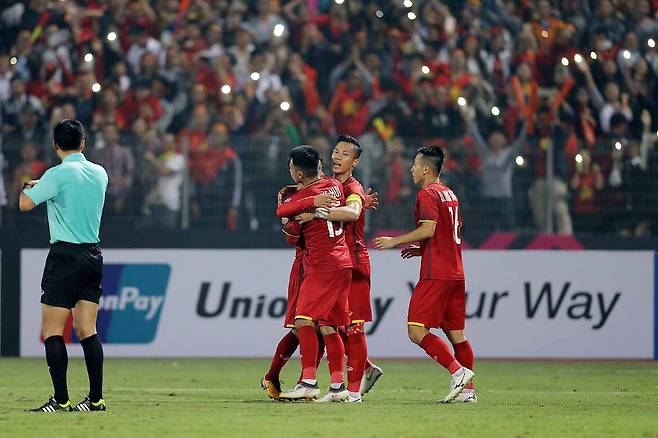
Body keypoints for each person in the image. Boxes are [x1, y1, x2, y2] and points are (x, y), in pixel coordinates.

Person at [19, 119, 109, 412]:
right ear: (83, 143)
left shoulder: (55, 175)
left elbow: (25, 204)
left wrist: (28, 186)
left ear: (55, 145)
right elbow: (76, 192)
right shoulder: (100, 173)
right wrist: (46, 187)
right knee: (87, 330)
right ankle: (96, 400)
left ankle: (61, 400)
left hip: (65, 256)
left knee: (53, 331)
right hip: (92, 255)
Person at [374, 146, 476, 403]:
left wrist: (395, 241)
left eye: (415, 164)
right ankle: (468, 392)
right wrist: (422, 251)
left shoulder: (427, 194)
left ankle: (458, 373)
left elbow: (429, 229)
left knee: (416, 330)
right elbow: (449, 232)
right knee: (456, 334)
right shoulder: (449, 193)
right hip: (455, 272)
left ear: (427, 169)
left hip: (436, 274)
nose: (412, 169)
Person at [294, 135, 383, 402]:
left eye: (345, 154)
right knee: (330, 325)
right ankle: (352, 377)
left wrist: (316, 212)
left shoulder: (353, 188)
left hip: (354, 262)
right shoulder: (331, 186)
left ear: (355, 162)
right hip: (334, 263)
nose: (337, 157)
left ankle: (353, 392)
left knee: (353, 327)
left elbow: (352, 213)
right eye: (335, 151)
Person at [275, 145, 352, 402]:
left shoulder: (306, 195)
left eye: (291, 168)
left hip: (322, 265)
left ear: (298, 173)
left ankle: (308, 382)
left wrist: (308, 203)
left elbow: (281, 211)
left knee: (303, 321)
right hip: (342, 262)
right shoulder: (335, 185)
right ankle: (338, 387)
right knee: (329, 326)